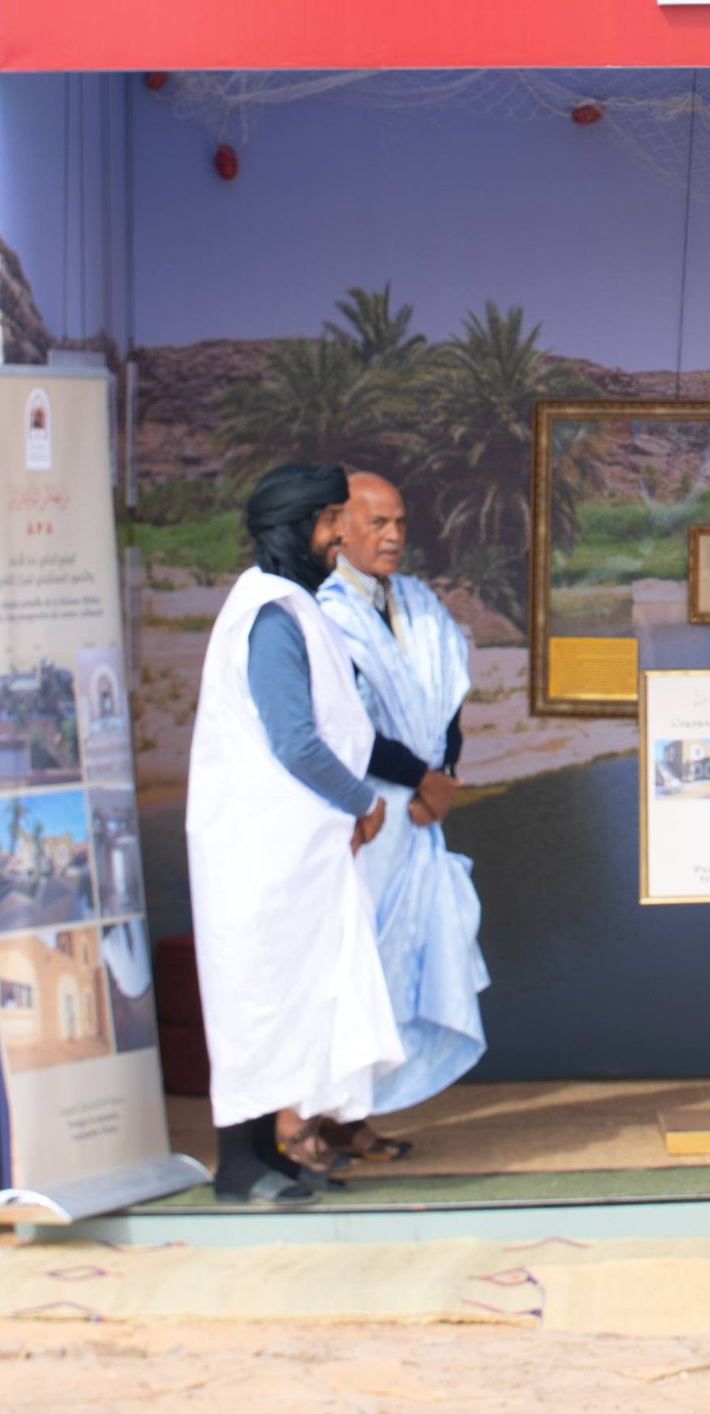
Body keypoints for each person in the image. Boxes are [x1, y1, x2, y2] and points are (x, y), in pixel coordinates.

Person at [185, 463, 404, 1205]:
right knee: (256, 1003)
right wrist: (362, 802)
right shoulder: (271, 615)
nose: (342, 533)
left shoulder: (291, 605)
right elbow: (295, 740)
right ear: (299, 526)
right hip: (260, 851)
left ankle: (269, 1157)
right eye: (331, 519)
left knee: (290, 1003)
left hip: (291, 850)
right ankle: (238, 1166)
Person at [316, 471, 487, 1157]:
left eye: (400, 524)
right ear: (339, 529)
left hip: (417, 812)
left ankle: (359, 1113)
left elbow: (448, 697)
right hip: (363, 811)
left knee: (399, 963)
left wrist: (441, 777)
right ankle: (324, 1115)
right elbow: (343, 724)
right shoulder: (325, 610)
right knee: (352, 966)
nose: (393, 537)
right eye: (377, 523)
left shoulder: (417, 602)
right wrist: (421, 778)